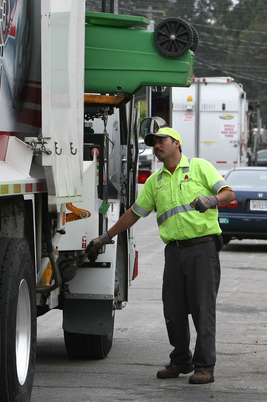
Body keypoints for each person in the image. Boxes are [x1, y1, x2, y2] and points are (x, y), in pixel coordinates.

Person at [85, 127, 235, 385]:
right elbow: (134, 213)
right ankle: (180, 360)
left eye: (160, 140)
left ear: (176, 142)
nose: (156, 146)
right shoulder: (156, 181)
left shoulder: (199, 167)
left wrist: (211, 200)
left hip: (202, 248)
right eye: (152, 143)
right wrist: (106, 237)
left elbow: (229, 194)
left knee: (202, 309)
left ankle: (204, 367)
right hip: (174, 252)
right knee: (173, 310)